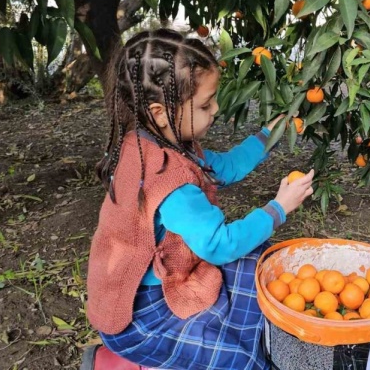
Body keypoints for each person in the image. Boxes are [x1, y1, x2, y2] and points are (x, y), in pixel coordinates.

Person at [84, 28, 313, 370]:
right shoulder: (169, 180)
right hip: (141, 315)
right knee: (239, 361)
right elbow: (218, 245)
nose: (216, 109)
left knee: (257, 262)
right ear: (160, 112)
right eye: (206, 104)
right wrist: (278, 208)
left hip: (136, 289)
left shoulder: (149, 142)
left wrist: (269, 135)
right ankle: (117, 361)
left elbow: (225, 167)